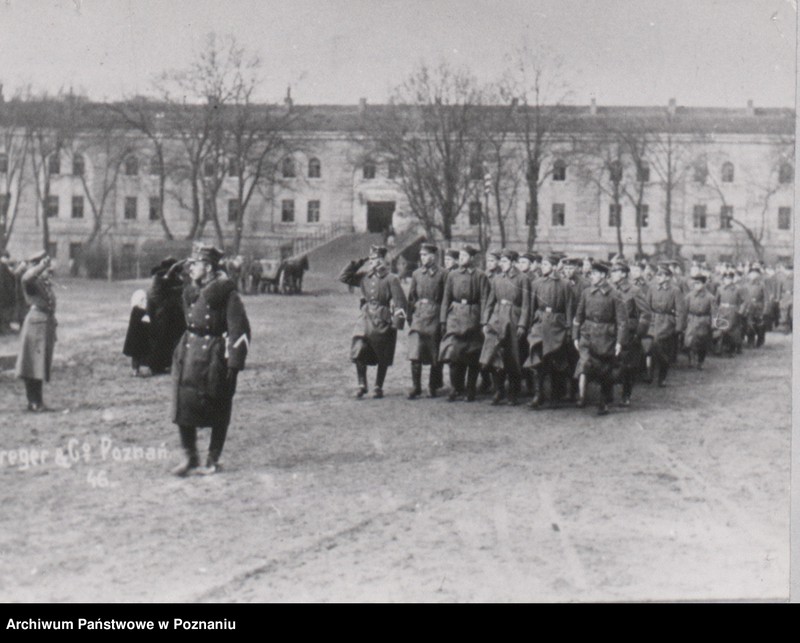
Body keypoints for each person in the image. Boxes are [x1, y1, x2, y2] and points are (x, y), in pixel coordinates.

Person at [171, 244, 251, 476]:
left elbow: (240, 330)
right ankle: (190, 457)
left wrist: (234, 363)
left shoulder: (227, 294)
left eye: (194, 265)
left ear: (207, 267)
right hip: (189, 353)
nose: (190, 269)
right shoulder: (190, 291)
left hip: (214, 356)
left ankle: (212, 459)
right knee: (183, 404)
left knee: (218, 407)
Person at [339, 245, 408, 399]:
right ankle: (362, 384)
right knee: (358, 347)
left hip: (383, 318)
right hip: (366, 316)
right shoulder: (365, 276)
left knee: (382, 353)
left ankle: (378, 386)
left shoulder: (391, 278)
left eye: (375, 259)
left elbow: (400, 302)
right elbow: (344, 277)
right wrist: (360, 261)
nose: (372, 262)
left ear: (383, 260)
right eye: (371, 259)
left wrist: (397, 323)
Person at [572, 260, 626, 415]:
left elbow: (622, 321)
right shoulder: (586, 292)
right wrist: (575, 335)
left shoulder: (615, 294)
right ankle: (582, 395)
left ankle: (604, 401)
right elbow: (578, 316)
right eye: (591, 274)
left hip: (606, 336)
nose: (591, 276)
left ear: (603, 275)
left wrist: (619, 342)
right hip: (587, 334)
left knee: (605, 370)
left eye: (594, 274)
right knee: (585, 362)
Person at [479, 248, 530, 406]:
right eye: (501, 261)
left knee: (512, 357)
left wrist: (522, 324)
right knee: (495, 355)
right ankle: (498, 390)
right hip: (497, 318)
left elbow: (527, 305)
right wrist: (485, 321)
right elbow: (490, 301)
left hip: (513, 319)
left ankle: (513, 393)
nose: (502, 264)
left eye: (505, 261)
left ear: (513, 263)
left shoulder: (522, 279)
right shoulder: (497, 279)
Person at [524, 253, 574, 409]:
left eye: (546, 265)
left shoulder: (565, 284)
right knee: (537, 360)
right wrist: (530, 325)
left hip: (557, 325)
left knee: (555, 361)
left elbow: (569, 308)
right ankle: (538, 395)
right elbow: (531, 306)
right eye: (542, 264)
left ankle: (555, 395)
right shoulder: (536, 283)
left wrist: (569, 329)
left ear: (553, 267)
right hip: (540, 324)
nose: (542, 267)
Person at [440, 245, 489, 402]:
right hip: (455, 316)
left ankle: (471, 389)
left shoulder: (480, 276)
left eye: (465, 255)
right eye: (460, 255)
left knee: (472, 355)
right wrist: (443, 319)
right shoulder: (452, 275)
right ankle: (455, 388)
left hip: (473, 315)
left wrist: (483, 321)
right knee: (454, 354)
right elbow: (446, 298)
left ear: (472, 258)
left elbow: (484, 300)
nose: (461, 258)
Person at [15, 251, 57, 412]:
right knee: (32, 365)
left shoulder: (43, 283)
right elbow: (26, 278)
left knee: (39, 365)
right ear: (36, 265)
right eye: (45, 266)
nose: (48, 270)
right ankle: (33, 401)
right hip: (35, 325)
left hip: (44, 325)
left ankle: (37, 401)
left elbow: (50, 304)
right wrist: (41, 267)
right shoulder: (31, 282)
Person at [406, 243, 446, 399]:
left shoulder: (443, 274)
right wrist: (411, 317)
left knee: (434, 353)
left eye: (425, 255)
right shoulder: (416, 274)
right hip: (419, 316)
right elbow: (411, 297)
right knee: (415, 352)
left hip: (435, 316)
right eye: (421, 255)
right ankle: (416, 387)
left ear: (433, 256)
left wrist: (443, 320)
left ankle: (432, 386)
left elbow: (445, 298)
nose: (422, 258)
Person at [609, 259, 650, 406]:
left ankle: (626, 395)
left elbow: (645, 314)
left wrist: (638, 333)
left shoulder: (634, 291)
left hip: (629, 333)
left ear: (624, 274)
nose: (612, 274)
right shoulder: (610, 289)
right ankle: (608, 395)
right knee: (609, 363)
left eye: (616, 271)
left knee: (627, 366)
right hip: (611, 331)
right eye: (612, 271)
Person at [644, 263, 685, 387]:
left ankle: (662, 376)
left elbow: (681, 311)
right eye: (657, 275)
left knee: (660, 347)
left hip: (667, 322)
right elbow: (647, 306)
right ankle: (649, 372)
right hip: (653, 320)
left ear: (668, 277)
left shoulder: (675, 290)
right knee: (648, 346)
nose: (658, 277)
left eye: (661, 275)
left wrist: (678, 327)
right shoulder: (652, 288)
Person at [147, 257, 187, 375]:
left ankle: (167, 363)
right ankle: (156, 366)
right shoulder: (160, 279)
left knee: (171, 339)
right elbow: (157, 297)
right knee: (161, 339)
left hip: (170, 314)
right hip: (161, 315)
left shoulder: (169, 278)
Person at [681, 274, 716, 369]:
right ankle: (691, 360)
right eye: (695, 283)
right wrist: (682, 323)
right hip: (691, 319)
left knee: (702, 343)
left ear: (704, 284)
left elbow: (714, 312)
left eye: (699, 283)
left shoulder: (710, 297)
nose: (696, 285)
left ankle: (700, 361)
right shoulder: (689, 296)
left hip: (704, 321)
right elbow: (684, 311)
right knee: (689, 341)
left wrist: (714, 323)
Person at [713, 270, 745, 357]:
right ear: (723, 279)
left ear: (732, 279)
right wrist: (716, 311)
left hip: (733, 311)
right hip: (722, 310)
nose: (727, 280)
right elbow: (715, 302)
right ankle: (719, 349)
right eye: (726, 278)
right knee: (721, 329)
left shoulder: (737, 289)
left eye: (729, 278)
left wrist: (740, 311)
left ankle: (730, 350)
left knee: (731, 331)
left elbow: (743, 302)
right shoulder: (720, 289)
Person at [122, 289, 151, 377]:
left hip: (136, 338)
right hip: (137, 339)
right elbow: (141, 324)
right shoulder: (139, 312)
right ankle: (135, 370)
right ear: (140, 302)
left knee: (137, 356)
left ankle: (136, 370)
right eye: (144, 300)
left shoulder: (137, 311)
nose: (146, 302)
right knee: (137, 356)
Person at [741, 265, 768, 347]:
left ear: (758, 275)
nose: (753, 276)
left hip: (759, 307)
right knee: (750, 324)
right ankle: (750, 340)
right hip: (749, 307)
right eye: (751, 274)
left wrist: (765, 310)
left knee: (760, 325)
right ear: (749, 275)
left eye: (755, 274)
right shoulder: (745, 285)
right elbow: (742, 297)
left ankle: (760, 339)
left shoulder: (762, 285)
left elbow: (766, 299)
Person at [0, 250, 16, 334]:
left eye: (7, 257)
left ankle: (5, 327)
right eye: (5, 257)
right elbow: (5, 282)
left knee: (4, 312)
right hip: (4, 295)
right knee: (4, 312)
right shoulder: (3, 268)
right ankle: (4, 328)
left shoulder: (4, 267)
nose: (6, 259)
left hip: (4, 295)